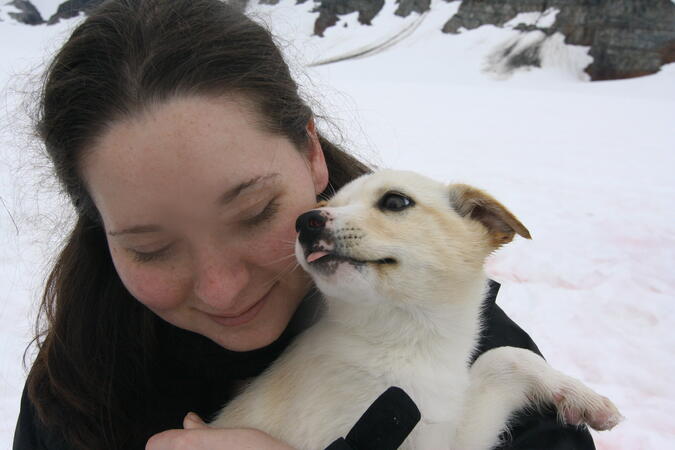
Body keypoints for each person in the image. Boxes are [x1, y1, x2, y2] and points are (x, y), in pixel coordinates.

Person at [12, 0, 596, 449]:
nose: (222, 288)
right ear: (99, 226)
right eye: (152, 246)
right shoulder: (74, 382)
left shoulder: (518, 391)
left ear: (310, 150)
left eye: (254, 212)